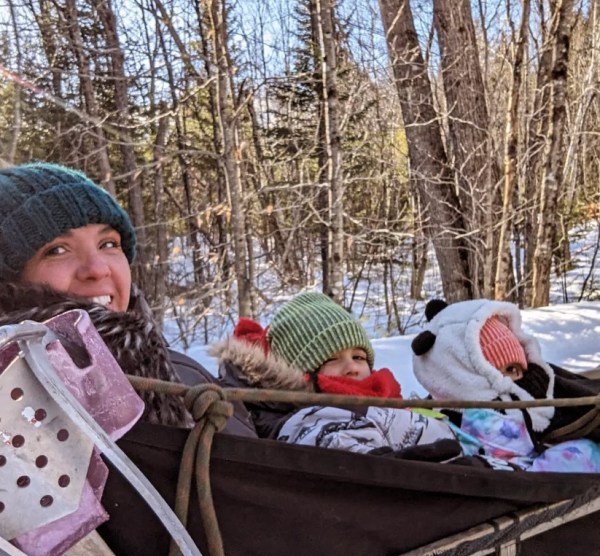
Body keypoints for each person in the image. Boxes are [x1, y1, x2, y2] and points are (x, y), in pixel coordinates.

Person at [0, 161, 256, 436]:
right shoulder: (13, 404)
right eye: (57, 250)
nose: (98, 269)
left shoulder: (181, 374)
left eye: (108, 244)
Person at [212, 291, 460, 457]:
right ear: (301, 373)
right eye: (331, 359)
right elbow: (353, 457)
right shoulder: (315, 417)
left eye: (359, 357)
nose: (352, 367)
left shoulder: (386, 400)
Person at [411, 298, 600, 472]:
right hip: (513, 478)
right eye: (506, 370)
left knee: (583, 450)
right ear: (464, 374)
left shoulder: (526, 393)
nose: (515, 380)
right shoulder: (454, 417)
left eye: (516, 369)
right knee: (582, 454)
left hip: (529, 466)